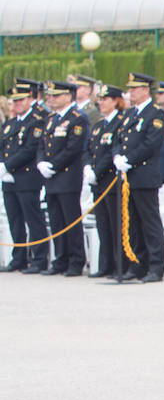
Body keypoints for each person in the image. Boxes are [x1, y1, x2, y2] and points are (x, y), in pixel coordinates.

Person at [112, 73, 164, 282]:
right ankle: (137, 265)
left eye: (135, 88)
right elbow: (118, 139)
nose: (131, 92)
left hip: (144, 176)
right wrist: (117, 155)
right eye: (130, 88)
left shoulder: (156, 114)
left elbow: (150, 144)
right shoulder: (129, 114)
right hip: (128, 177)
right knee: (132, 224)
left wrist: (129, 159)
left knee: (149, 223)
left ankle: (155, 267)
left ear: (146, 90)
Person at [37, 80, 90, 276]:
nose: (50, 99)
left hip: (67, 176)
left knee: (70, 221)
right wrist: (41, 162)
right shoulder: (51, 119)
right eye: (49, 95)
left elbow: (74, 147)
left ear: (68, 96)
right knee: (56, 221)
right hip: (51, 178)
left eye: (55, 95)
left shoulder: (77, 118)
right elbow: (42, 144)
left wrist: (54, 164)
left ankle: (76, 260)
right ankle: (61, 259)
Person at [0, 80, 48, 273]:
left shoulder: (35, 121)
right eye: (15, 101)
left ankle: (39, 258)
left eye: (21, 100)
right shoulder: (11, 124)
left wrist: (7, 166)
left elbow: (29, 150)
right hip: (9, 179)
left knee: (33, 219)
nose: (17, 104)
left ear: (29, 99)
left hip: (27, 178)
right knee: (15, 220)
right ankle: (18, 257)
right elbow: (3, 147)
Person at [85, 85, 126, 279]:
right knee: (102, 224)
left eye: (106, 99)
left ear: (116, 101)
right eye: (100, 99)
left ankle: (119, 265)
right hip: (98, 183)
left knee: (114, 224)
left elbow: (112, 152)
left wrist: (97, 170)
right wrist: (87, 167)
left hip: (111, 181)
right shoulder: (98, 125)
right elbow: (88, 149)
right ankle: (105, 264)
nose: (101, 102)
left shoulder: (120, 123)